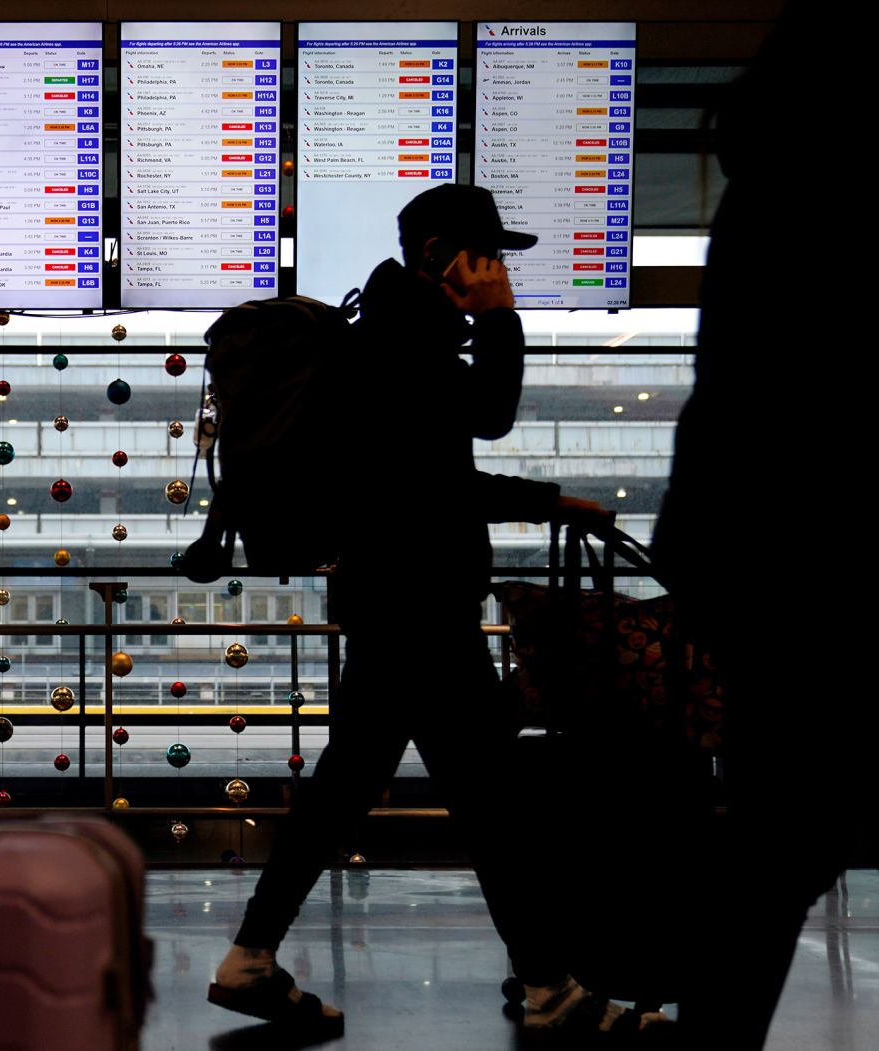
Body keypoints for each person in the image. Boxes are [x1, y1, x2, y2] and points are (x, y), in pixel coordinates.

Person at [208, 184, 658, 1041]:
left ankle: (251, 960)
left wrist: (547, 500)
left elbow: (431, 482)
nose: (498, 272)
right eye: (487, 257)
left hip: (394, 602)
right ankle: (549, 986)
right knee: (493, 803)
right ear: (439, 254)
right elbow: (487, 419)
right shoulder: (406, 343)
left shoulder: (385, 340)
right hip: (421, 609)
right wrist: (500, 319)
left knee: (356, 791)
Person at [653, 9, 865, 1047]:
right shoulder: (828, 199)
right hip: (813, 559)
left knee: (778, 833)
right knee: (785, 837)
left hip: (752, 554)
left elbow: (732, 398)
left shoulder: (764, 191)